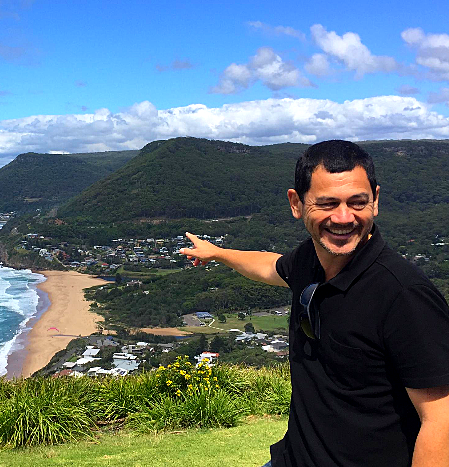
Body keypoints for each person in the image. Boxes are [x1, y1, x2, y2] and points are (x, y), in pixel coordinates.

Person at [179, 140, 449, 467]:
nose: (343, 217)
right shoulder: (310, 259)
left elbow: (441, 419)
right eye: (327, 203)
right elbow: (269, 266)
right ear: (296, 203)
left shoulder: (403, 294)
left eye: (357, 202)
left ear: (375, 201)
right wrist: (218, 253)